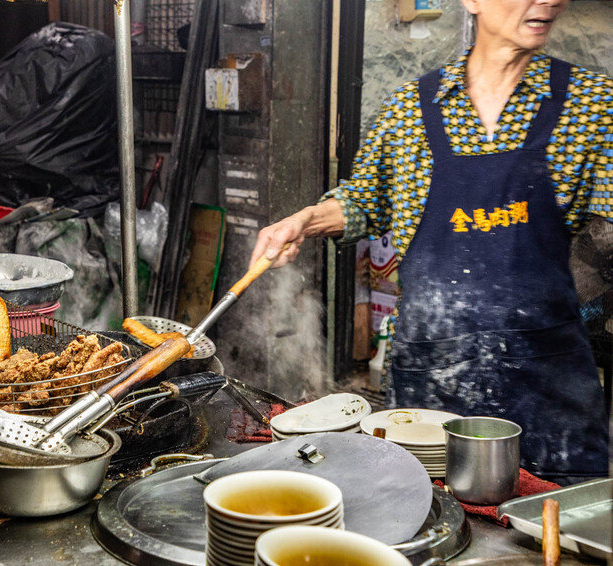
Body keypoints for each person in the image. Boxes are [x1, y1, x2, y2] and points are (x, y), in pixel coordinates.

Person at [250, 0, 612, 483]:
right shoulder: (409, 113)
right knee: (428, 523)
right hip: (430, 396)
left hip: (547, 394)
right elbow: (363, 201)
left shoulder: (592, 106)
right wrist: (304, 220)